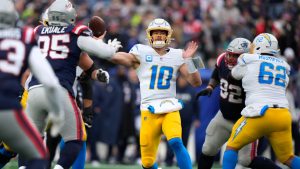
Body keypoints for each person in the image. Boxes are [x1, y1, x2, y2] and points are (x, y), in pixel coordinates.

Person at [24, 0, 121, 169]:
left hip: (33, 91)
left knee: (32, 141)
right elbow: (104, 52)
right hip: (58, 91)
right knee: (76, 139)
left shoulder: (37, 31)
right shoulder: (75, 32)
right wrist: (110, 48)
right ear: (69, 15)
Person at [110, 18, 202, 169]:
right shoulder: (140, 51)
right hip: (148, 109)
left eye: (162, 32)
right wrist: (107, 51)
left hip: (169, 107)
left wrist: (189, 60)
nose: (159, 35)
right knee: (146, 162)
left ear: (169, 35)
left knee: (175, 141)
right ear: (149, 35)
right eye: (155, 32)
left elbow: (196, 82)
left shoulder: (179, 54)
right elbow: (121, 58)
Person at [196, 37, 281, 169]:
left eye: (235, 56)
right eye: (229, 54)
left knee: (247, 160)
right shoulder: (221, 60)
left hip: (245, 121)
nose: (229, 58)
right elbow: (216, 73)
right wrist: (210, 87)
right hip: (223, 117)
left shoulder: (253, 71)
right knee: (208, 148)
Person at [0, 0, 65, 168]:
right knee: (38, 155)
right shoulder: (25, 36)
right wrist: (57, 112)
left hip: (18, 101)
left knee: (10, 149)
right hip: (7, 106)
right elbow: (50, 82)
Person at [222, 33, 300, 169]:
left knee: (231, 147)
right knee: (288, 158)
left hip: (260, 113)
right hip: (282, 115)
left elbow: (233, 75)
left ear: (257, 46)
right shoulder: (284, 65)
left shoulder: (248, 59)